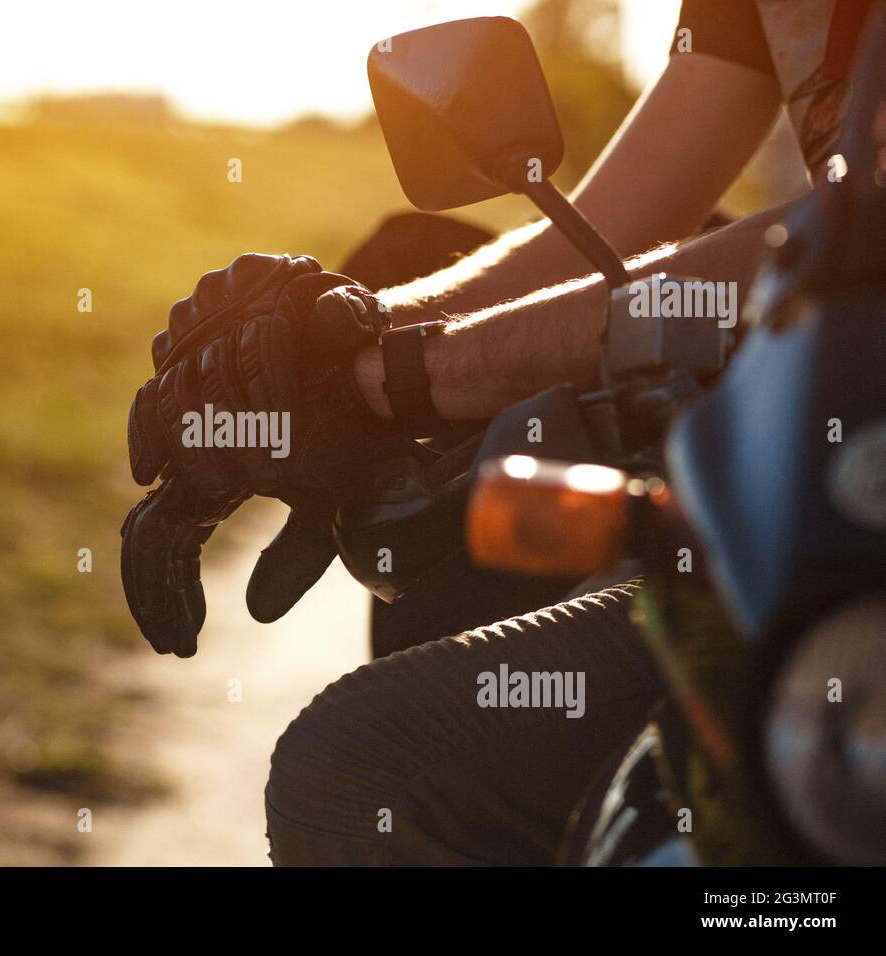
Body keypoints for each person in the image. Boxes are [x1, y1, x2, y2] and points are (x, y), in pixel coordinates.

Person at [121, 0, 878, 864]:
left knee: (359, 773)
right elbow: (616, 220)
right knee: (412, 251)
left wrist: (412, 377)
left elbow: (862, 232)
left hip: (851, 549)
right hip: (809, 509)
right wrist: (329, 344)